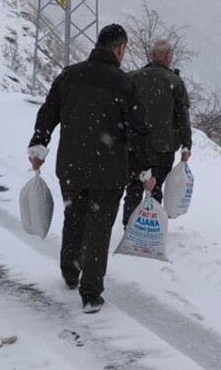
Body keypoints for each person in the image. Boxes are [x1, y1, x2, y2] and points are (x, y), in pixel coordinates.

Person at [28, 24, 156, 314]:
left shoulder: (70, 75)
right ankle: (90, 292)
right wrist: (147, 169)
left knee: (73, 215)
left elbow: (48, 112)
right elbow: (139, 131)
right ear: (120, 49)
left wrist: (38, 147)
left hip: (71, 166)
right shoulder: (124, 84)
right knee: (99, 228)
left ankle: (70, 272)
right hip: (108, 171)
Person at [123, 39, 193, 224]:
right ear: (168, 56)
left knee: (134, 187)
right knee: (155, 186)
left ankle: (128, 226)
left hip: (134, 145)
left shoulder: (133, 77)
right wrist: (186, 145)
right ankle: (149, 228)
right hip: (163, 147)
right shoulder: (175, 82)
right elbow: (182, 116)